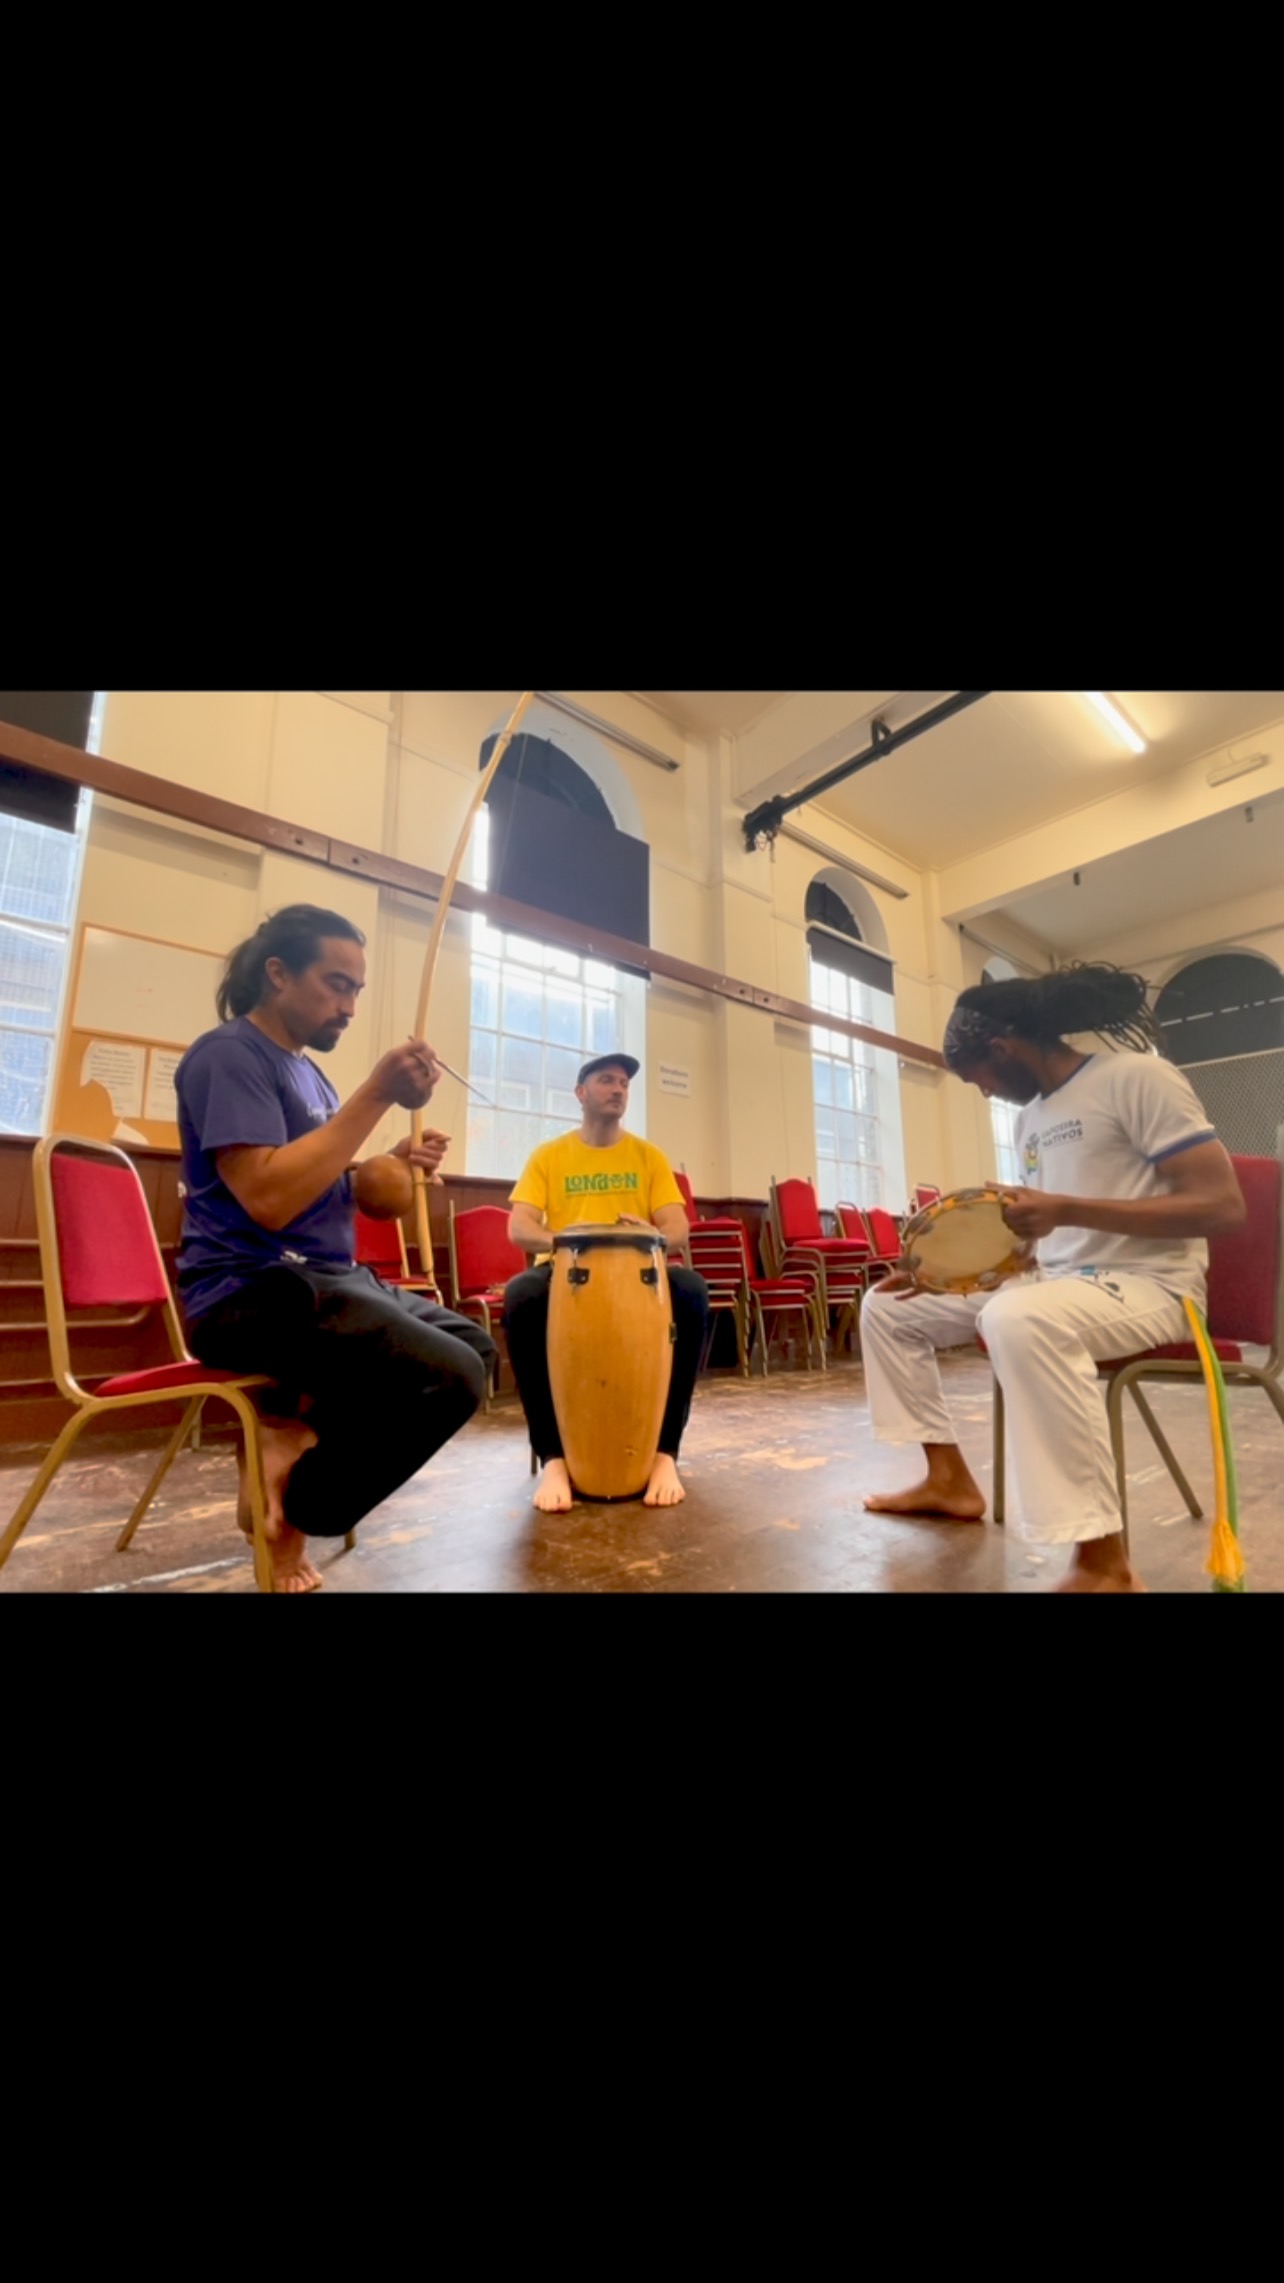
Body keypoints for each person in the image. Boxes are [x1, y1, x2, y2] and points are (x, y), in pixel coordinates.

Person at [858, 964, 1247, 1593]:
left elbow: (1223, 1206)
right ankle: (948, 1480)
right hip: (1058, 1283)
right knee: (888, 1308)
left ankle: (1103, 1563)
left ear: (1002, 1049)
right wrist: (943, 1272)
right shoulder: (1030, 1118)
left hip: (1153, 1287)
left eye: (976, 1079)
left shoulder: (1137, 1078)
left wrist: (1064, 1209)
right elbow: (1046, 1242)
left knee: (1019, 1319)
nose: (983, 1094)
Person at [174, 904, 497, 1591]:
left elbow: (325, 1179)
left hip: (325, 1279)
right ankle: (298, 1504)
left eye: (357, 987)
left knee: (478, 1349)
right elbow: (266, 1195)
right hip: (250, 1293)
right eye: (337, 983)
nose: (350, 1003)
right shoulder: (228, 1054)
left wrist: (388, 1160)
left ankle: (291, 1440)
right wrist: (378, 1093)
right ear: (278, 973)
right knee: (449, 1376)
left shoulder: (310, 1076)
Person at [503, 1053, 710, 1512]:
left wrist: (652, 1234)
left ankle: (664, 1453)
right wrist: (565, 1240)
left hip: (639, 1272)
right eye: (606, 1081)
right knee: (521, 1297)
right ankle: (553, 1456)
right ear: (581, 1093)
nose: (618, 1089)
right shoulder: (550, 1155)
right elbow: (520, 1228)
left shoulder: (647, 1155)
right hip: (564, 1271)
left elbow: (678, 1228)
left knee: (692, 1292)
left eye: (623, 1083)